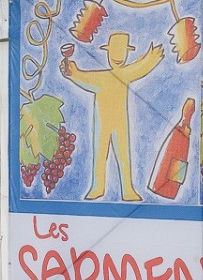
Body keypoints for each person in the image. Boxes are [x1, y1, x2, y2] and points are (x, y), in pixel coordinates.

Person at [60, 30, 164, 201]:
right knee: (100, 154)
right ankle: (98, 187)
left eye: (120, 51)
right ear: (108, 52)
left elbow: (140, 68)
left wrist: (152, 57)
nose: (117, 56)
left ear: (126, 53)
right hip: (102, 123)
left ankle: (127, 189)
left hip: (120, 122)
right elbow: (83, 78)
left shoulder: (124, 74)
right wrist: (72, 71)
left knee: (123, 155)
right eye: (115, 51)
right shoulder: (103, 77)